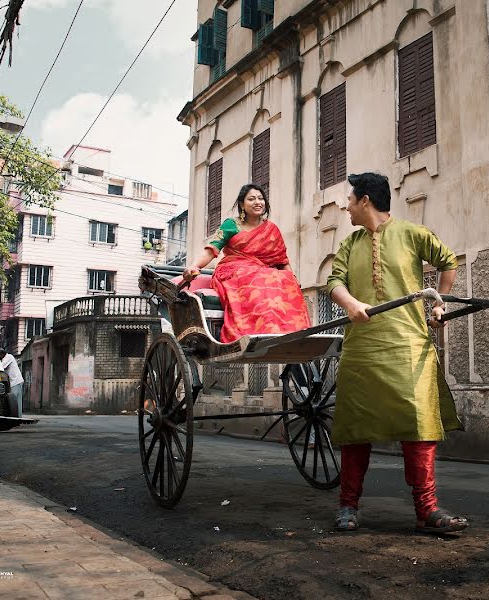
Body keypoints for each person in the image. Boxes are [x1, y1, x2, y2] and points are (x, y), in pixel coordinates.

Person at [327, 172, 468, 534]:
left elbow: (448, 261)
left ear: (365, 201)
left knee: (419, 425)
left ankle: (427, 509)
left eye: (350, 200)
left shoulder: (413, 233)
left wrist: (439, 305)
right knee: (356, 428)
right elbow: (334, 282)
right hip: (361, 350)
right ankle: (348, 506)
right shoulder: (350, 243)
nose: (346, 207)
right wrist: (352, 303)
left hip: (409, 345)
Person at [183, 183, 311, 342]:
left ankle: (293, 334)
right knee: (260, 277)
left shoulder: (272, 229)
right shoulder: (231, 225)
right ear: (242, 204)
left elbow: (282, 261)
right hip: (233, 271)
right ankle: (258, 332)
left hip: (262, 272)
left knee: (286, 279)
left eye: (260, 198)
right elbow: (210, 250)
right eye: (251, 199)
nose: (258, 202)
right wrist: (194, 266)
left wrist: (292, 280)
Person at [0, 349, 24, 418]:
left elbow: (1, 367)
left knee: (15, 400)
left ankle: (18, 417)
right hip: (13, 382)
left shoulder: (9, 357)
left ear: (2, 354)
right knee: (15, 400)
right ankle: (18, 417)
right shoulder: (5, 358)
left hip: (16, 381)